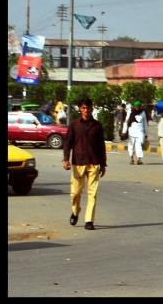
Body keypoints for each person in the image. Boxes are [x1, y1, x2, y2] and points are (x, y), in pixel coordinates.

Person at [62, 97, 107, 230]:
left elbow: (101, 146)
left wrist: (103, 164)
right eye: (83, 108)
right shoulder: (74, 125)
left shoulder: (97, 126)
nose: (86, 110)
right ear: (80, 109)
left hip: (94, 163)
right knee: (75, 193)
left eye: (88, 107)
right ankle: (75, 212)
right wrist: (66, 159)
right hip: (78, 162)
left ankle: (89, 221)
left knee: (92, 193)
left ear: (92, 108)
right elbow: (67, 143)